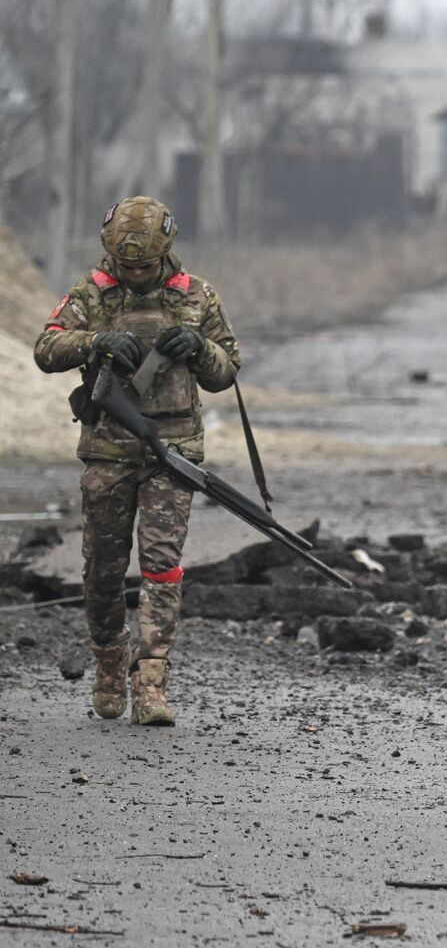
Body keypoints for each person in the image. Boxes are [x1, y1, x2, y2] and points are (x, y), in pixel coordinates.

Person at [34, 196, 240, 726]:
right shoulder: (91, 295)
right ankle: (109, 661)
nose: (136, 274)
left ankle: (151, 681)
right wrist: (96, 341)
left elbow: (226, 371)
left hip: (172, 452)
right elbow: (46, 349)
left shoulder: (196, 296)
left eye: (145, 265)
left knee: (161, 565)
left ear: (165, 254)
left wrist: (197, 345)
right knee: (102, 569)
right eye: (127, 266)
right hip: (108, 451)